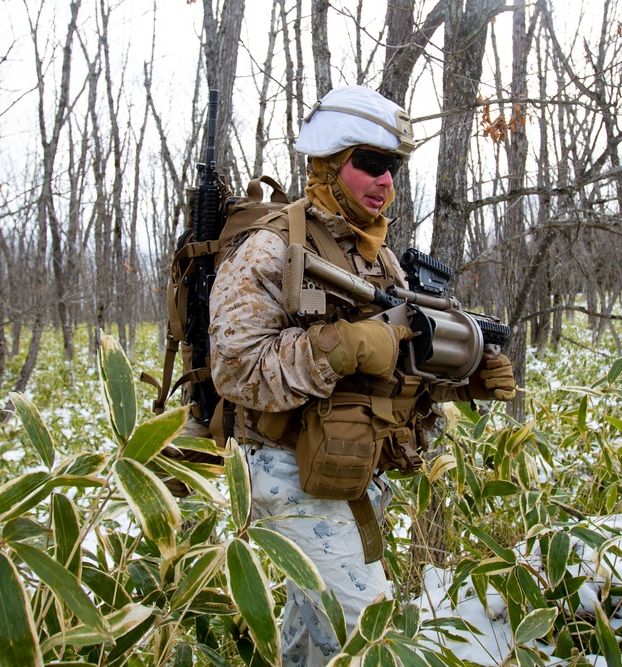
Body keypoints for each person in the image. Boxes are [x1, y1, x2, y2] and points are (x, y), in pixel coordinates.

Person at [208, 85, 517, 666]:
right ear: (327, 165)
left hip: (346, 467)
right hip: (284, 468)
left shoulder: (376, 255)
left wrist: (462, 378)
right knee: (370, 634)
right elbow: (236, 369)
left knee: (313, 633)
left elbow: (394, 358)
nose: (385, 182)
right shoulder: (269, 247)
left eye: (392, 168)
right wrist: (339, 346)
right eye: (369, 164)